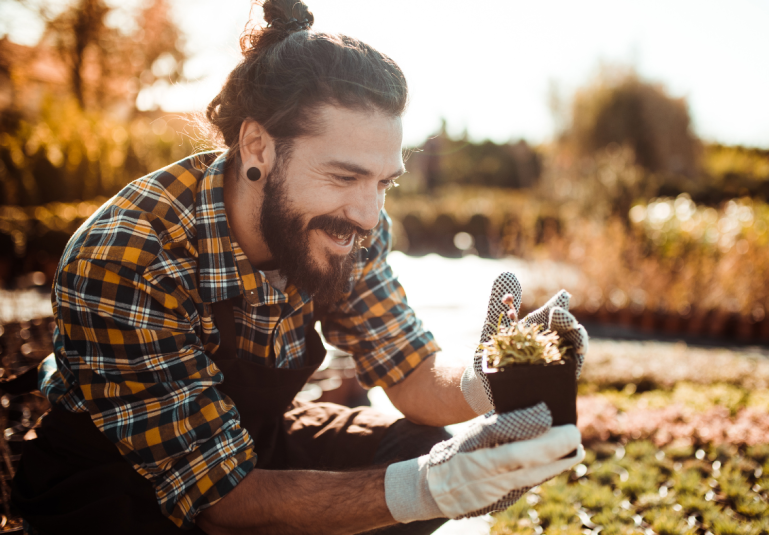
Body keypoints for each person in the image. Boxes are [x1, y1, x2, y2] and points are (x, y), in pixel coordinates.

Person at [11, 1, 588, 534]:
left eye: (383, 182)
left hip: (254, 443)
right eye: (344, 176)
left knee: (419, 446)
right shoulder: (130, 255)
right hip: (119, 481)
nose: (367, 215)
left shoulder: (349, 226)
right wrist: (434, 490)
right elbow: (220, 500)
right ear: (258, 147)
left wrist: (492, 374)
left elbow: (411, 374)